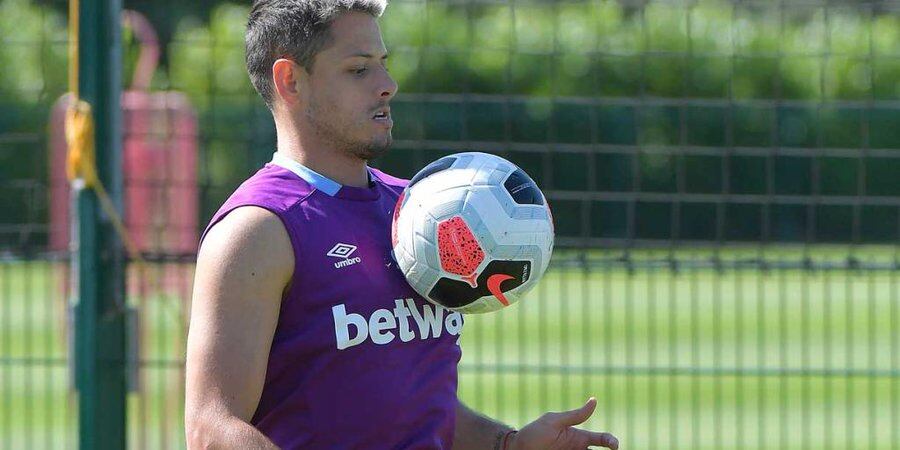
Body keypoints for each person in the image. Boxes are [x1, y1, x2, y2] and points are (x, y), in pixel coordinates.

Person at [184, 0, 620, 448]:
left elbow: (411, 402)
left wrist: (507, 443)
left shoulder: (418, 212)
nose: (388, 85)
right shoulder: (258, 231)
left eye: (384, 65)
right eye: (359, 70)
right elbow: (213, 429)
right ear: (290, 80)